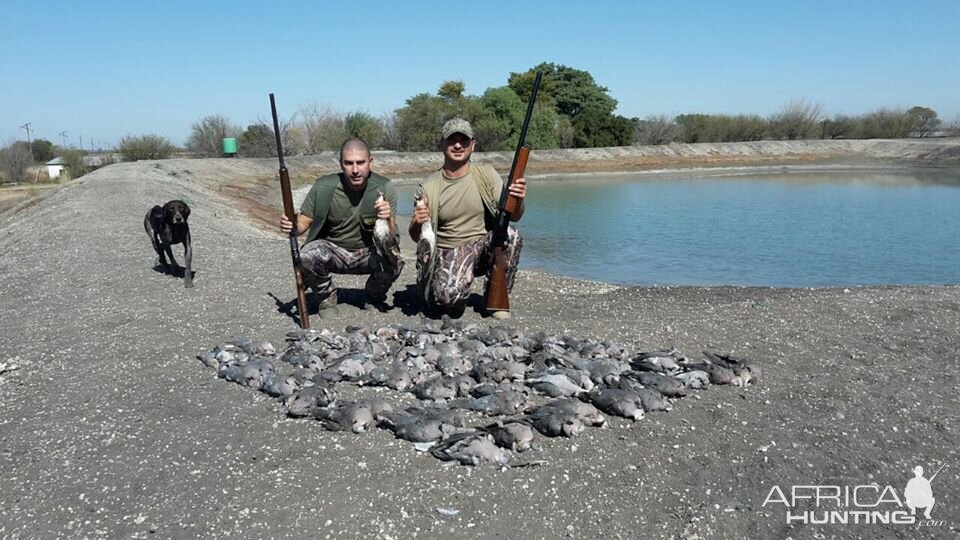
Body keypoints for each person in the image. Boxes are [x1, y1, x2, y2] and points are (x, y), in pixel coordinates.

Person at [408, 118, 526, 319]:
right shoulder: (428, 186)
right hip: (451, 249)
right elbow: (415, 237)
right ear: (442, 145)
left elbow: (514, 216)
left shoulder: (486, 174)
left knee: (511, 235)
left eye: (463, 140)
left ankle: (496, 297)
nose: (457, 145)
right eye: (451, 140)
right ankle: (451, 286)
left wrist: (519, 199)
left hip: (484, 244)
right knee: (447, 300)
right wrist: (417, 222)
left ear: (473, 145)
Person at [280, 137, 402, 316]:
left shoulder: (385, 187)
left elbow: (391, 239)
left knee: (395, 259)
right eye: (348, 163)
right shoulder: (323, 186)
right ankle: (326, 299)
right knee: (305, 255)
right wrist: (291, 224)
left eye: (360, 163)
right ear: (341, 164)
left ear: (370, 162)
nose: (355, 170)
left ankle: (373, 297)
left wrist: (388, 217)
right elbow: (302, 224)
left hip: (367, 253)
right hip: (333, 252)